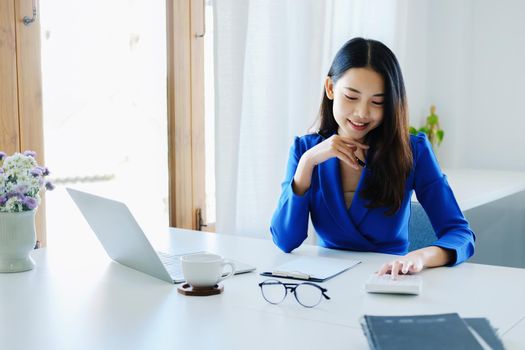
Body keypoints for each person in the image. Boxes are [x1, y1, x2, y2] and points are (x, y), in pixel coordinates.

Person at [270, 37, 475, 278]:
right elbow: (285, 240)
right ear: (330, 88)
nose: (362, 113)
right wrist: (306, 164)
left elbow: (461, 235)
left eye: (378, 102)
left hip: (389, 280)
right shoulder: (305, 151)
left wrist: (420, 256)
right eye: (351, 97)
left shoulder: (414, 151)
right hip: (326, 286)